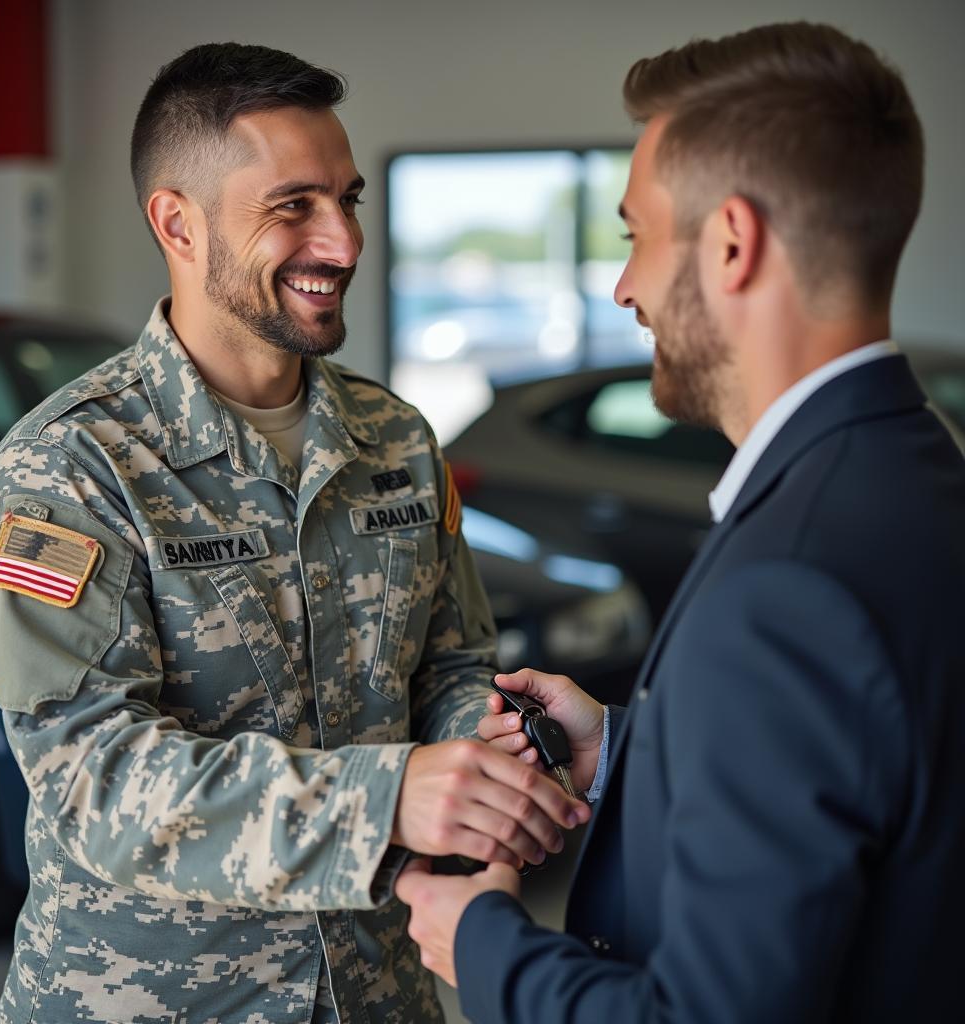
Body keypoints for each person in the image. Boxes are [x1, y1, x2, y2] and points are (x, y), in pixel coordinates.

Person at [0, 43, 589, 1024]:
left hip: (378, 994)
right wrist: (389, 799)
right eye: (293, 206)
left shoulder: (395, 439)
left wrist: (485, 763)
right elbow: (94, 780)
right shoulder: (72, 470)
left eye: (348, 199)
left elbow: (451, 664)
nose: (341, 241)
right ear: (178, 223)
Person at [395, 21, 965, 1023]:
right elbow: (870, 782)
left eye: (634, 235)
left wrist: (481, 941)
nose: (624, 286)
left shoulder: (787, 582)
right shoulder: (917, 472)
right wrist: (625, 750)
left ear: (732, 244)